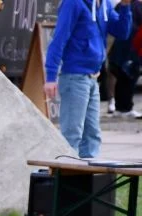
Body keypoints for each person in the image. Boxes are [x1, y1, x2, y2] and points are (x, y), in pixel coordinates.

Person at [45, 0, 133, 158]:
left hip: (93, 77)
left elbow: (122, 32)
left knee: (92, 135)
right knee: (72, 134)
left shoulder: (103, 4)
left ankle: (87, 178)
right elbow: (59, 38)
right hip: (74, 76)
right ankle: (66, 176)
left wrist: (126, 7)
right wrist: (51, 76)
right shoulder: (73, 3)